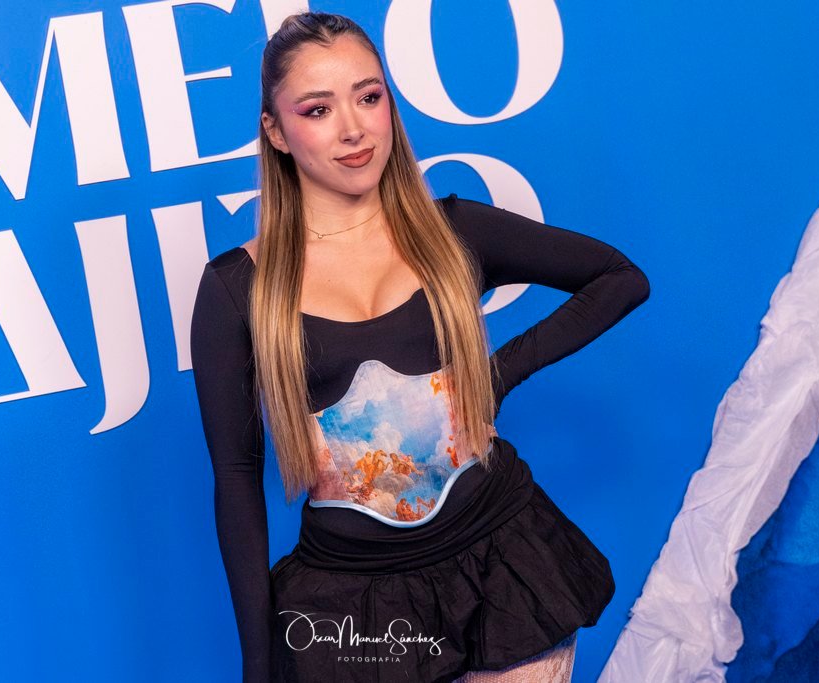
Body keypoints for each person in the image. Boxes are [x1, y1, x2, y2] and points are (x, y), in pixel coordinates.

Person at [190, 11, 649, 683]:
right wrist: (257, 664)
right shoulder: (238, 288)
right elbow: (235, 478)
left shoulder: (455, 231)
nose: (353, 128)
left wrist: (496, 374)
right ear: (276, 131)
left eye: (368, 96)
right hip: (358, 609)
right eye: (318, 109)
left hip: (503, 571)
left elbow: (620, 279)